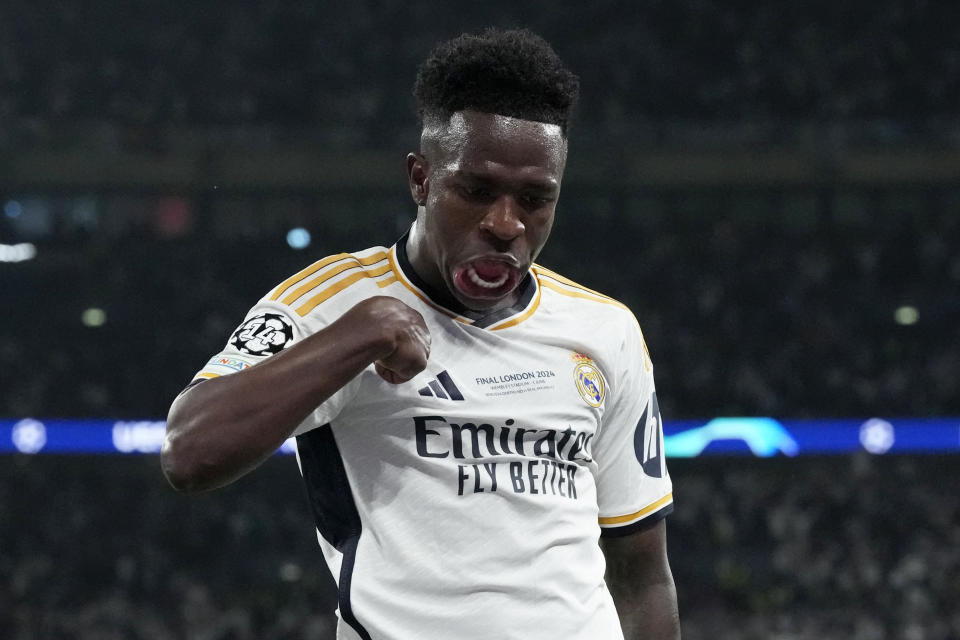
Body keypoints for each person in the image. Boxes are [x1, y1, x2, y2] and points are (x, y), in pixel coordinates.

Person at [162, 27, 680, 640]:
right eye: (476, 190)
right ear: (420, 179)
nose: (505, 224)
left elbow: (642, 575)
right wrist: (362, 333)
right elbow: (190, 452)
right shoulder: (333, 304)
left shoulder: (605, 330)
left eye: (536, 199)